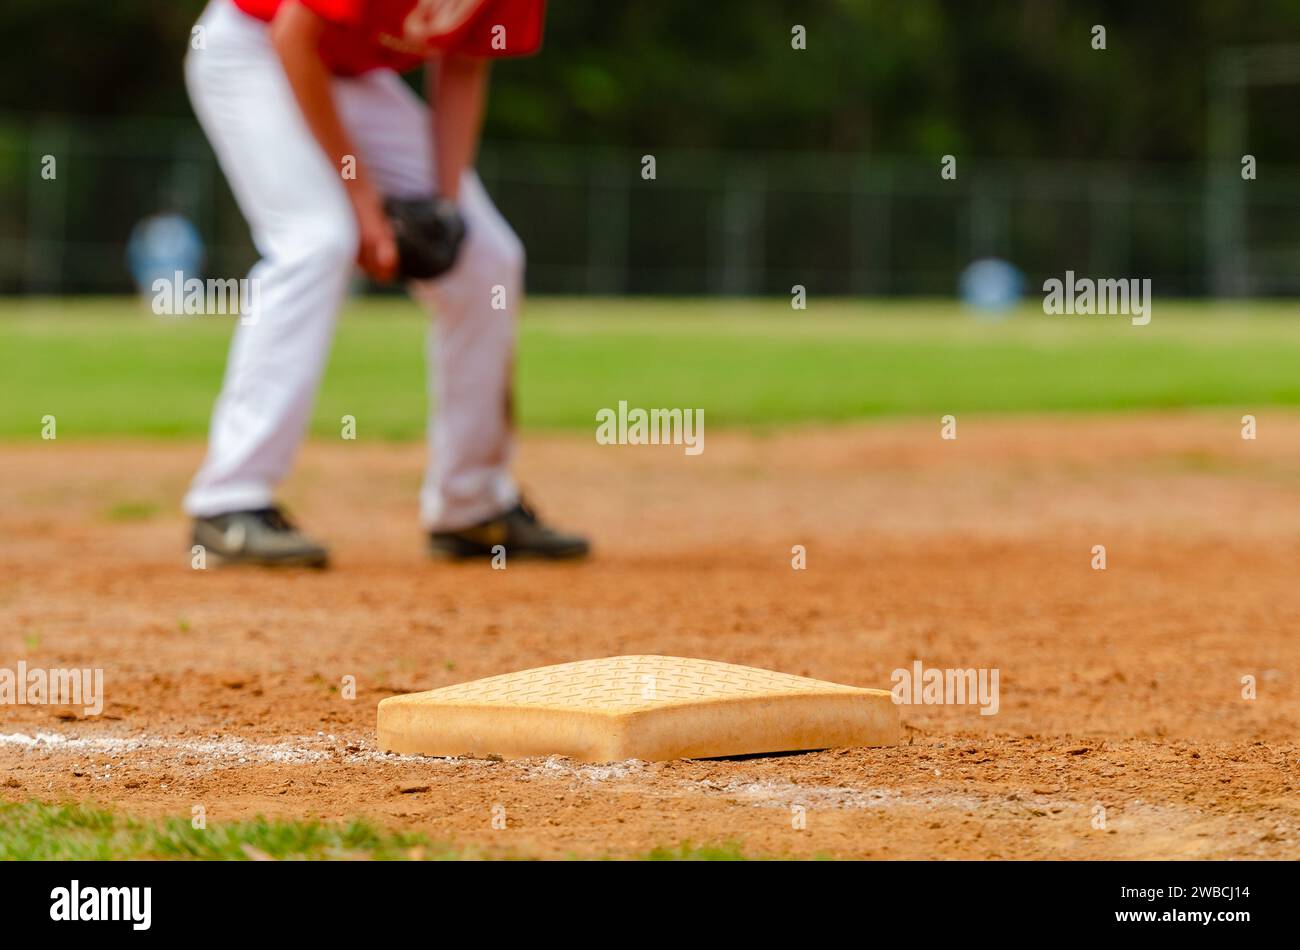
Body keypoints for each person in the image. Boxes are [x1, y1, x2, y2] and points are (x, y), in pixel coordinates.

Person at [183, 0, 588, 566]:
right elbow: (294, 36)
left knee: (486, 258)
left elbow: (465, 66)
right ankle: (229, 505)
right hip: (255, 49)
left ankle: (471, 506)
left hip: (350, 78)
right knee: (317, 240)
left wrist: (445, 210)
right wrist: (362, 202)